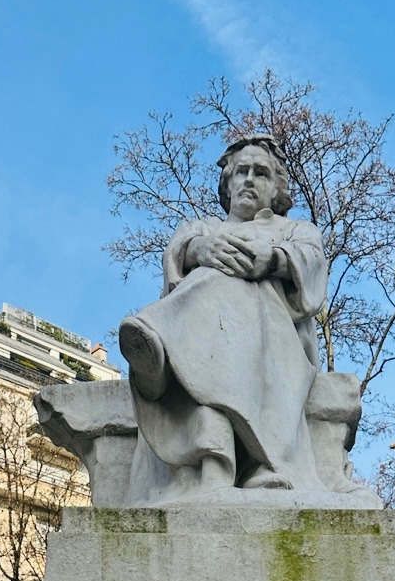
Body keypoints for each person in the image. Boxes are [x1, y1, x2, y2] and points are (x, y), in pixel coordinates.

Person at [118, 134, 330, 500]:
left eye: (261, 173)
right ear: (227, 184)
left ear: (276, 189)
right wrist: (198, 249)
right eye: (241, 172)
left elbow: (311, 265)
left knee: (219, 281)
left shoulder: (294, 230)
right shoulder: (203, 229)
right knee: (207, 282)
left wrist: (273, 260)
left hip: (272, 340)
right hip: (207, 341)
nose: (249, 179)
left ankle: (158, 361)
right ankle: (158, 361)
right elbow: (175, 256)